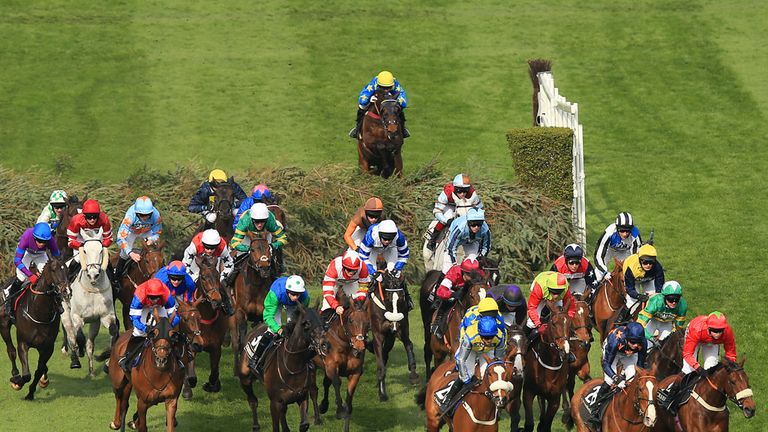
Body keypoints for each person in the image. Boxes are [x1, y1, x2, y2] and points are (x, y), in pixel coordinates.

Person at [438, 297, 506, 415]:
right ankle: (447, 399)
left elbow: (498, 360)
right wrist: (466, 379)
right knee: (468, 373)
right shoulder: (470, 335)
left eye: (491, 337)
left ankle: (493, 403)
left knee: (489, 374)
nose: (489, 340)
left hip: (487, 350)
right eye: (486, 337)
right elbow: (460, 359)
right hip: (471, 348)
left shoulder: (500, 336)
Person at [659, 311, 736, 413]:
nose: (718, 334)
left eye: (720, 331)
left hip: (711, 343)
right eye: (714, 330)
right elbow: (687, 354)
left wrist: (729, 367)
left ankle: (713, 401)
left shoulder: (727, 332)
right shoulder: (697, 329)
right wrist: (698, 368)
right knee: (688, 369)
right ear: (708, 328)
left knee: (712, 371)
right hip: (695, 335)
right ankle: (670, 397)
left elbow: (731, 354)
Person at [248, 275, 309, 376]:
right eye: (293, 294)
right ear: (287, 291)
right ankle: (255, 359)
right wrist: (279, 329)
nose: (296, 297)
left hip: (293, 307)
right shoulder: (276, 293)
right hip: (279, 304)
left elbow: (302, 313)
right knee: (272, 330)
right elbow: (268, 316)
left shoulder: (305, 297)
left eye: (298, 294)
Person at [588, 322, 647, 424]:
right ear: (626, 338)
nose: (635, 345)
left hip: (629, 355)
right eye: (633, 342)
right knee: (609, 381)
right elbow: (606, 364)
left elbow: (640, 366)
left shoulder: (643, 343)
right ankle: (595, 409)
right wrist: (616, 378)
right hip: (613, 353)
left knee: (633, 378)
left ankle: (633, 407)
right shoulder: (615, 341)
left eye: (638, 342)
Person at [118, 278, 180, 374]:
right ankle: (127, 358)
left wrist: (167, 326)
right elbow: (135, 319)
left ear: (161, 295)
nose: (154, 300)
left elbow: (176, 316)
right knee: (138, 332)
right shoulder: (139, 297)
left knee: (166, 332)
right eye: (151, 297)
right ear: (147, 295)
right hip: (144, 306)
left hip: (160, 306)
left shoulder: (167, 295)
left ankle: (177, 358)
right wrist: (145, 328)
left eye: (157, 297)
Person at [4, 223, 61, 320]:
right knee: (21, 278)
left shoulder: (50, 240)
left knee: (50, 277)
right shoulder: (27, 236)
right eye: (39, 240)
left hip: (41, 255)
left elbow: (57, 256)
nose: (41, 244)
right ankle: (9, 304)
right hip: (27, 253)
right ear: (34, 237)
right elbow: (17, 261)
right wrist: (30, 275)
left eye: (44, 241)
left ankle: (57, 303)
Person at [358, 219, 412, 309]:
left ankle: (407, 299)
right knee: (370, 275)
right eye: (385, 238)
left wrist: (397, 268)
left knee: (395, 274)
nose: (387, 241)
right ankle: (363, 301)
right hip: (373, 249)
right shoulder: (371, 236)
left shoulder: (399, 237)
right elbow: (363, 256)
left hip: (390, 249)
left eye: (389, 239)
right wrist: (373, 272)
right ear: (379, 235)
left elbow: (404, 255)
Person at [66, 199, 118, 288]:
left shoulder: (104, 219)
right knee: (75, 261)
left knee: (107, 262)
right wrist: (81, 246)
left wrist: (101, 245)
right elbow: (70, 241)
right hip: (81, 242)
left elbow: (109, 238)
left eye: (95, 216)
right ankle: (68, 282)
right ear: (84, 216)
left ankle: (114, 283)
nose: (92, 219)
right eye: (89, 217)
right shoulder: (76, 220)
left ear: (99, 215)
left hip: (98, 243)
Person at [430, 257, 485, 339]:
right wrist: (453, 295)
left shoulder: (480, 274)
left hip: (470, 294)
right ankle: (437, 324)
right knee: (447, 302)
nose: (471, 278)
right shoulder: (454, 272)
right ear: (463, 271)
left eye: (473, 275)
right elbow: (440, 291)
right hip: (453, 292)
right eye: (468, 274)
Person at [426, 174, 483, 251]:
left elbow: (480, 208)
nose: (463, 194)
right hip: (449, 205)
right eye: (459, 191)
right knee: (448, 215)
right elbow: (437, 211)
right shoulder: (448, 192)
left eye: (465, 191)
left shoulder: (472, 192)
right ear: (455, 188)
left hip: (464, 206)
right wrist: (446, 221)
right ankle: (433, 239)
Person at [229, 202, 287, 275]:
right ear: (252, 219)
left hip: (265, 234)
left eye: (263, 221)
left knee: (270, 256)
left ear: (266, 219)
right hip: (247, 235)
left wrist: (272, 246)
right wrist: (247, 249)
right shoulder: (245, 220)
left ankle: (276, 272)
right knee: (240, 256)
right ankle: (231, 275)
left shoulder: (270, 220)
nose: (259, 224)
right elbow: (234, 242)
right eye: (256, 221)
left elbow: (283, 238)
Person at [525, 271, 576, 353]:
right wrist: (538, 325)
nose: (555, 296)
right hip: (541, 291)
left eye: (558, 292)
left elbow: (571, 305)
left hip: (550, 290)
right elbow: (531, 308)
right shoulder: (539, 288)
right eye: (553, 292)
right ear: (549, 289)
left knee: (561, 319)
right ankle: (524, 343)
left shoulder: (565, 288)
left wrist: (569, 318)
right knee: (531, 323)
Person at [115, 197, 163, 283]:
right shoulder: (130, 216)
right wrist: (131, 253)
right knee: (124, 253)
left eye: (148, 214)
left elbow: (157, 233)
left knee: (154, 251)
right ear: (136, 213)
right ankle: (117, 277)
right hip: (131, 232)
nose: (145, 217)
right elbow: (120, 238)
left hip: (147, 232)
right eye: (141, 215)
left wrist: (151, 239)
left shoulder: (156, 216)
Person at [348, 70, 409, 138]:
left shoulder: (395, 84)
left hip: (390, 99)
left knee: (399, 107)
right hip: (375, 97)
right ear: (378, 85)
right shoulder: (373, 84)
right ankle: (357, 129)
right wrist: (370, 98)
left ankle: (403, 129)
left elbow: (404, 102)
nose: (386, 90)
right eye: (383, 88)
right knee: (362, 106)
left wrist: (396, 101)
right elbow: (362, 100)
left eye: (388, 88)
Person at [615, 244, 665, 324]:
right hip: (634, 280)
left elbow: (660, 286)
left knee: (655, 299)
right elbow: (629, 289)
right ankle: (620, 320)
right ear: (640, 260)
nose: (648, 265)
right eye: (645, 262)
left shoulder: (657, 267)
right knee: (632, 301)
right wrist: (638, 296)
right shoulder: (630, 268)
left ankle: (658, 319)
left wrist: (656, 295)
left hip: (649, 279)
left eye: (651, 262)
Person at [320, 250, 370, 323]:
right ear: (343, 266)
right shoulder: (334, 266)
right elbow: (328, 292)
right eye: (349, 270)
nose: (351, 273)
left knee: (357, 306)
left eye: (354, 270)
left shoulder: (363, 268)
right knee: (326, 306)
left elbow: (363, 286)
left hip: (352, 283)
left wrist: (359, 299)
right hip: (335, 282)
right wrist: (336, 306)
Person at [637, 280, 687, 349]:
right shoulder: (655, 302)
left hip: (667, 324)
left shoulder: (682, 306)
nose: (674, 302)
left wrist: (673, 334)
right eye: (671, 299)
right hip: (652, 321)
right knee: (646, 344)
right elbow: (640, 324)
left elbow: (678, 328)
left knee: (666, 347)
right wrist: (651, 338)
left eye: (677, 299)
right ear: (664, 297)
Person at [593, 212, 642, 281]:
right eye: (622, 231)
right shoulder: (609, 232)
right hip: (609, 249)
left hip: (625, 251)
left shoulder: (635, 234)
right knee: (598, 275)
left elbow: (636, 256)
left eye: (628, 231)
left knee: (629, 274)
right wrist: (604, 272)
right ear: (617, 228)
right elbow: (598, 255)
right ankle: (594, 287)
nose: (625, 234)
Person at [443, 208, 491, 274]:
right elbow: (451, 249)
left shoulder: (485, 230)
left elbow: (486, 248)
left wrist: (479, 259)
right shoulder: (460, 229)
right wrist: (454, 264)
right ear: (468, 222)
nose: (476, 227)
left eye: (479, 224)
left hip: (472, 241)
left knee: (473, 263)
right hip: (456, 240)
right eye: (473, 224)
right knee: (448, 267)